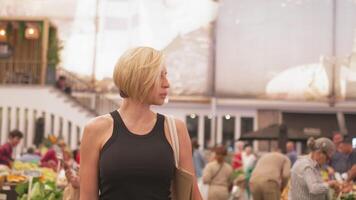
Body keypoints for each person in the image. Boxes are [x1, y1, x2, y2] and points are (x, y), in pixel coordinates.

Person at [79, 47, 202, 200]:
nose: (167, 83)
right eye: (160, 76)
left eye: (166, 75)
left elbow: (193, 196)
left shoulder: (175, 129)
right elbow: (87, 197)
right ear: (139, 78)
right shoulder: (96, 129)